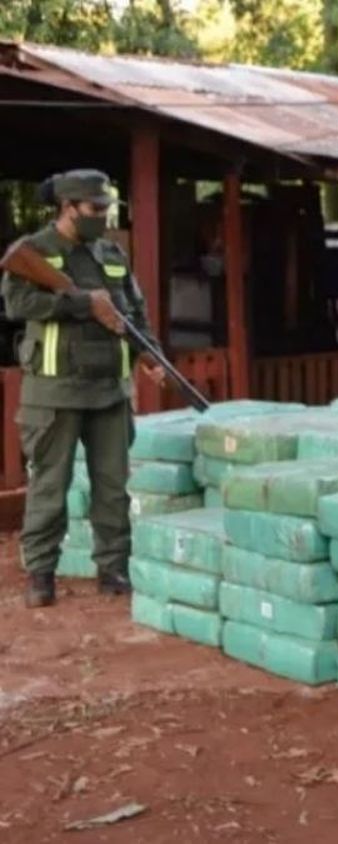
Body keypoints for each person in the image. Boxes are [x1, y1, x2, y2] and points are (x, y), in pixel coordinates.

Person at [2, 170, 163, 608]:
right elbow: (16, 304)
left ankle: (113, 569)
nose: (102, 216)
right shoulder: (36, 252)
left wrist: (150, 352)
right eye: (94, 209)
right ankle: (41, 575)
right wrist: (82, 303)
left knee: (112, 487)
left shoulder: (110, 252)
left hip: (109, 391)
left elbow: (134, 308)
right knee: (50, 487)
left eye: (106, 208)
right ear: (68, 208)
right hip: (53, 393)